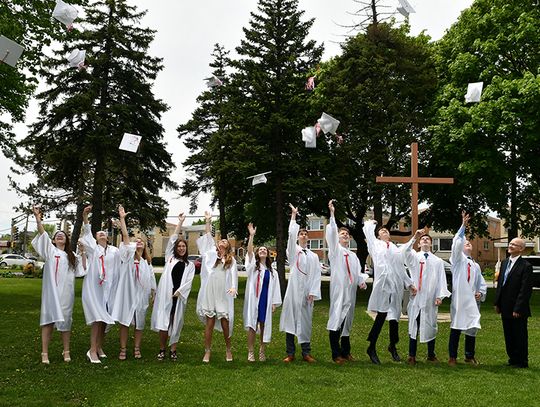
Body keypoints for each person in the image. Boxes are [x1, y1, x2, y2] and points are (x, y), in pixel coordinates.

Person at [32, 205, 86, 364]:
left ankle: (66, 351)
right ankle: (45, 353)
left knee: (66, 322)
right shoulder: (50, 251)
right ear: (54, 240)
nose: (60, 236)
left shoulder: (72, 256)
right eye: (57, 235)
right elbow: (42, 234)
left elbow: (81, 272)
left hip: (65, 293)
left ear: (67, 239)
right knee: (48, 321)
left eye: (63, 234)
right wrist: (37, 218)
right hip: (51, 293)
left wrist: (82, 253)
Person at [363, 219, 415, 364]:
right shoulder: (375, 245)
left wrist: (410, 284)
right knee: (381, 315)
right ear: (378, 236)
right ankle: (371, 347)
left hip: (395, 285)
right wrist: (370, 224)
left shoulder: (395, 249)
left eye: (386, 230)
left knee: (394, 318)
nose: (384, 231)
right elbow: (367, 231)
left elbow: (400, 268)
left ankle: (393, 346)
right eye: (381, 230)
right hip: (383, 285)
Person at [326, 199, 368, 364]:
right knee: (336, 318)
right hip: (339, 290)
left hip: (350, 292)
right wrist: (332, 214)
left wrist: (361, 282)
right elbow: (331, 233)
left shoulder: (352, 256)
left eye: (347, 234)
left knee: (347, 320)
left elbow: (358, 273)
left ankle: (346, 351)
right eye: (342, 233)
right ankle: (335, 354)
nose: (345, 235)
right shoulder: (335, 252)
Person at [111, 205, 156, 360]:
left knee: (139, 323)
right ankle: (123, 349)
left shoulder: (146, 263)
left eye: (141, 241)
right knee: (125, 321)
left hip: (141, 296)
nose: (138, 243)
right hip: (128, 294)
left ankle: (137, 348)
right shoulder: (128, 257)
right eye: (136, 241)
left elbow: (151, 281)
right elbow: (124, 237)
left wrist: (153, 293)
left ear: (145, 246)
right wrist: (122, 219)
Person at [402, 228, 450, 365]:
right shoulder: (414, 257)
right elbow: (404, 252)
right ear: (418, 244)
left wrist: (440, 296)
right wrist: (414, 237)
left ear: (431, 243)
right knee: (414, 326)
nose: (425, 240)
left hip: (430, 298)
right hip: (417, 297)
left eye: (427, 239)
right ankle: (412, 355)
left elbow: (442, 279)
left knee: (430, 324)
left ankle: (431, 354)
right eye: (422, 239)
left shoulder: (438, 261)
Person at [151, 213, 195, 361]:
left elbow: (188, 282)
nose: (181, 248)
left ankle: (173, 350)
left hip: (178, 296)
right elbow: (172, 240)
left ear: (186, 249)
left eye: (184, 246)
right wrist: (180, 223)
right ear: (176, 249)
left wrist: (179, 292)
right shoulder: (170, 258)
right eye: (179, 246)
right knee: (164, 322)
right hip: (166, 295)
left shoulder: (190, 265)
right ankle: (162, 349)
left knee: (176, 322)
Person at [280, 204, 321, 363]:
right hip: (294, 291)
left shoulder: (313, 256)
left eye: (305, 234)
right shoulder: (293, 252)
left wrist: (313, 291)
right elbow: (290, 237)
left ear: (308, 238)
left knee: (305, 322)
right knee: (291, 321)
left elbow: (317, 274)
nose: (303, 236)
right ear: (298, 237)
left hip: (306, 294)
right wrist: (293, 216)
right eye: (301, 234)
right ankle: (290, 353)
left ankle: (306, 352)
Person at [196, 211, 238, 363]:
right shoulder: (211, 255)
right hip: (210, 291)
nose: (222, 242)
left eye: (226, 242)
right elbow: (208, 236)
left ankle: (228, 349)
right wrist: (208, 220)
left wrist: (233, 287)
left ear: (228, 247)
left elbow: (233, 275)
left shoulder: (230, 260)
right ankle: (207, 351)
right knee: (210, 322)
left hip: (222, 293)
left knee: (225, 323)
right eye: (221, 241)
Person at [80, 205, 118, 363]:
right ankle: (92, 350)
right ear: (95, 238)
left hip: (108, 288)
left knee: (104, 319)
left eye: (104, 232)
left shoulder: (114, 251)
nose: (102, 233)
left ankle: (99, 346)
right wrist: (85, 216)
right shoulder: (92, 249)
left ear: (108, 238)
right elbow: (86, 232)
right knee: (97, 317)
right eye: (99, 232)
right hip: (94, 288)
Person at [448, 211, 487, 366]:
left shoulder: (475, 265)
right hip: (459, 299)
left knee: (472, 326)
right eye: (465, 243)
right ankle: (452, 356)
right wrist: (463, 226)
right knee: (457, 325)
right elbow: (456, 243)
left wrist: (480, 293)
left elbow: (481, 282)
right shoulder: (457, 261)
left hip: (472, 299)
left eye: (469, 242)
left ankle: (469, 355)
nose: (468, 243)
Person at [243, 222, 282, 362]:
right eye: (260, 250)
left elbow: (276, 288)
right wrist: (251, 236)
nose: (263, 251)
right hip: (255, 300)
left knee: (264, 326)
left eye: (265, 250)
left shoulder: (273, 272)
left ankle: (262, 350)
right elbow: (248, 252)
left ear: (268, 253)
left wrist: (274, 304)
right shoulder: (254, 268)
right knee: (252, 325)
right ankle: (251, 352)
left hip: (266, 301)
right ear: (258, 254)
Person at [494, 237, 533, 368]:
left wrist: (518, 308)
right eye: (510, 243)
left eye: (514, 244)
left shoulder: (526, 266)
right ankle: (512, 359)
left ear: (521, 249)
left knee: (519, 335)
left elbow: (525, 290)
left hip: (518, 308)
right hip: (504, 306)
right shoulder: (504, 263)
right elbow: (501, 284)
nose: (510, 246)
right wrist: (497, 303)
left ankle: (522, 361)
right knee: (509, 334)